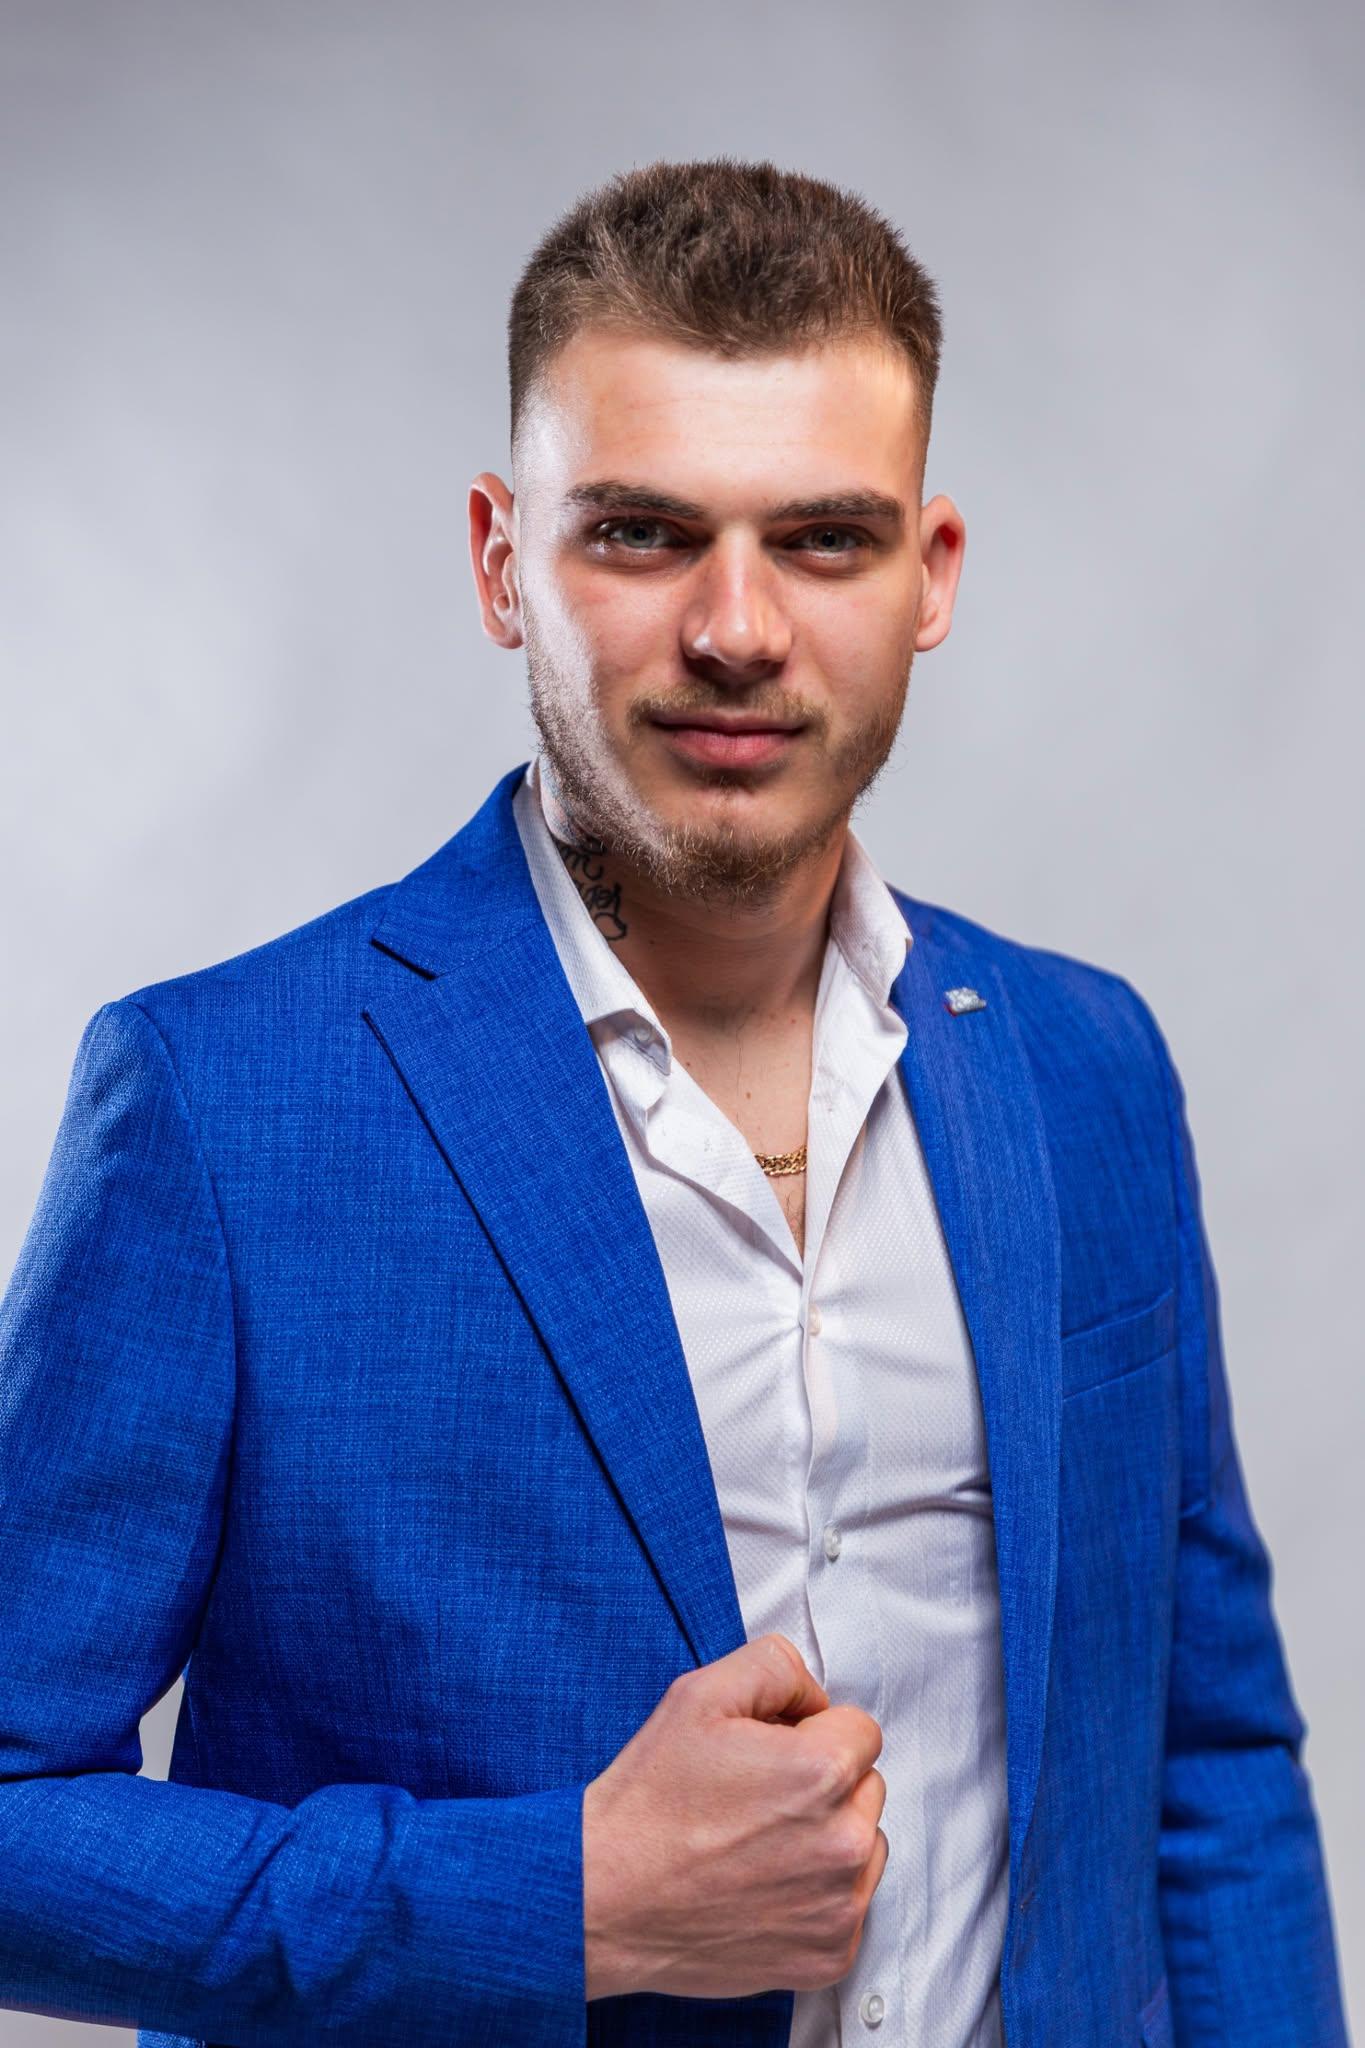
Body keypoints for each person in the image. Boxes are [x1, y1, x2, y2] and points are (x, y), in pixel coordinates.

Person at [0, 157, 1348, 2048]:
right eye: (640, 533)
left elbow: (1204, 1766)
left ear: (930, 574)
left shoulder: (1084, 1064)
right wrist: (559, 1901)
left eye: (823, 539)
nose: (736, 628)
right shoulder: (222, 1104)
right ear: (502, 561)